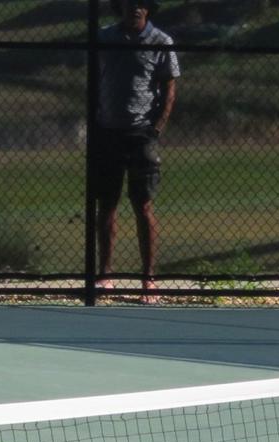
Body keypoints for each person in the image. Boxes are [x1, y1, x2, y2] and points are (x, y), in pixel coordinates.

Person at [94, 0, 180, 303]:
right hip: (107, 132)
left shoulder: (161, 42)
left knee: (142, 205)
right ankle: (105, 275)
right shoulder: (104, 38)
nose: (135, 9)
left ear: (149, 9)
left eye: (142, 4)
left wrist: (156, 127)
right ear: (120, 7)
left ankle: (148, 279)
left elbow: (169, 88)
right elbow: (94, 79)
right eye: (130, 3)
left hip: (141, 134)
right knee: (107, 204)